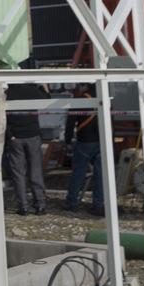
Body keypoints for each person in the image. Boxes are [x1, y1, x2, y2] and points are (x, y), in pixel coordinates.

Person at [4, 57, 48, 215]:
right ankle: (40, 205)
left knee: (18, 174)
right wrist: (41, 87)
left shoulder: (7, 94)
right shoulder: (31, 91)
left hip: (16, 138)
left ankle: (22, 207)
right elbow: (47, 101)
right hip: (33, 137)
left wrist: (10, 136)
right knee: (35, 172)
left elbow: (2, 119)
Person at [63, 89, 106, 217]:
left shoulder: (80, 100)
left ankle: (72, 202)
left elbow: (70, 122)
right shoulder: (105, 99)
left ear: (84, 85)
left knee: (79, 173)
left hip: (85, 143)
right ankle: (99, 204)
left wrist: (68, 140)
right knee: (101, 175)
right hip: (102, 142)